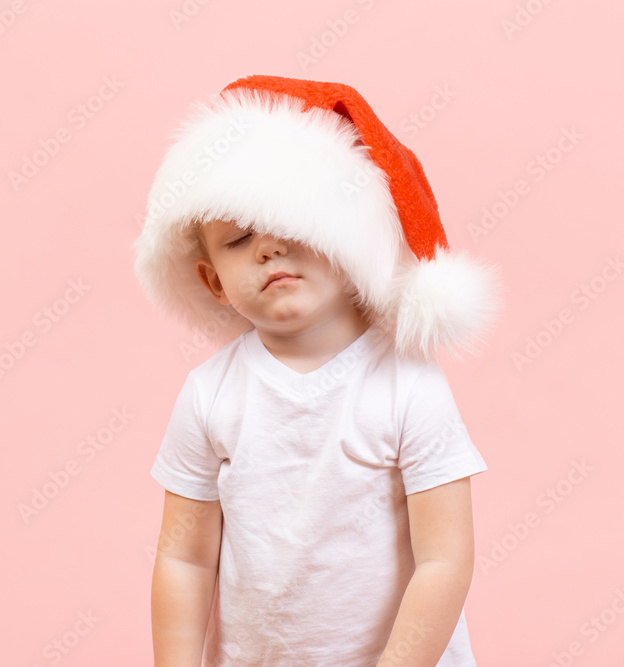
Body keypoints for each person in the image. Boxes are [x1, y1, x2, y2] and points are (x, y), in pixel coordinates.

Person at [132, 76, 505, 666]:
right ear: (213, 283)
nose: (268, 248)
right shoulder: (210, 394)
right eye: (238, 238)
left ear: (349, 234)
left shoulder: (408, 384)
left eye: (294, 222)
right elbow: (185, 557)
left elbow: (445, 559)